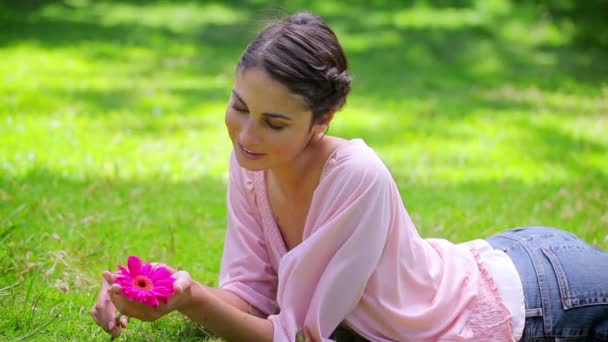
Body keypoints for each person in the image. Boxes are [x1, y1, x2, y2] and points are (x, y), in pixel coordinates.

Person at [90, 11, 608, 342]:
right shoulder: (254, 160)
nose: (247, 134)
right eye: (238, 106)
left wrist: (193, 301)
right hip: (502, 254)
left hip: (548, 296)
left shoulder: (357, 175)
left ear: (323, 120)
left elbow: (297, 336)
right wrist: (165, 290)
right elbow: (251, 294)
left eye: (274, 122)